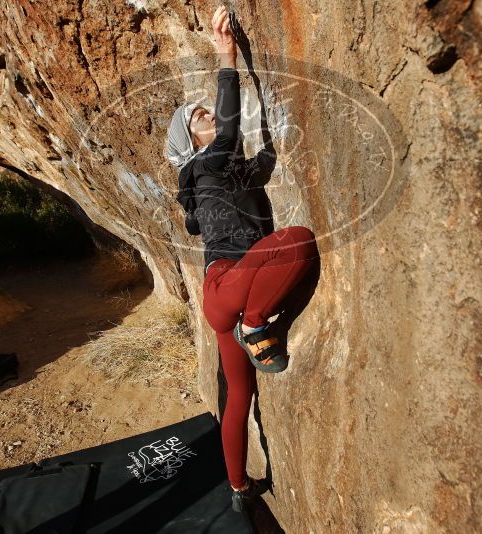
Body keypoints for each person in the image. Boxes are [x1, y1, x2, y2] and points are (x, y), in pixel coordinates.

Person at [164, 6, 318, 513]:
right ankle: (257, 325)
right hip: (230, 289)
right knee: (296, 239)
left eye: (203, 110)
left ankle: (237, 487)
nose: (205, 113)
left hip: (224, 298)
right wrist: (226, 55)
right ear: (193, 141)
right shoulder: (205, 164)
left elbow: (262, 165)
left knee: (239, 398)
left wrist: (271, 129)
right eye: (196, 118)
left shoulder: (223, 174)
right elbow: (228, 132)